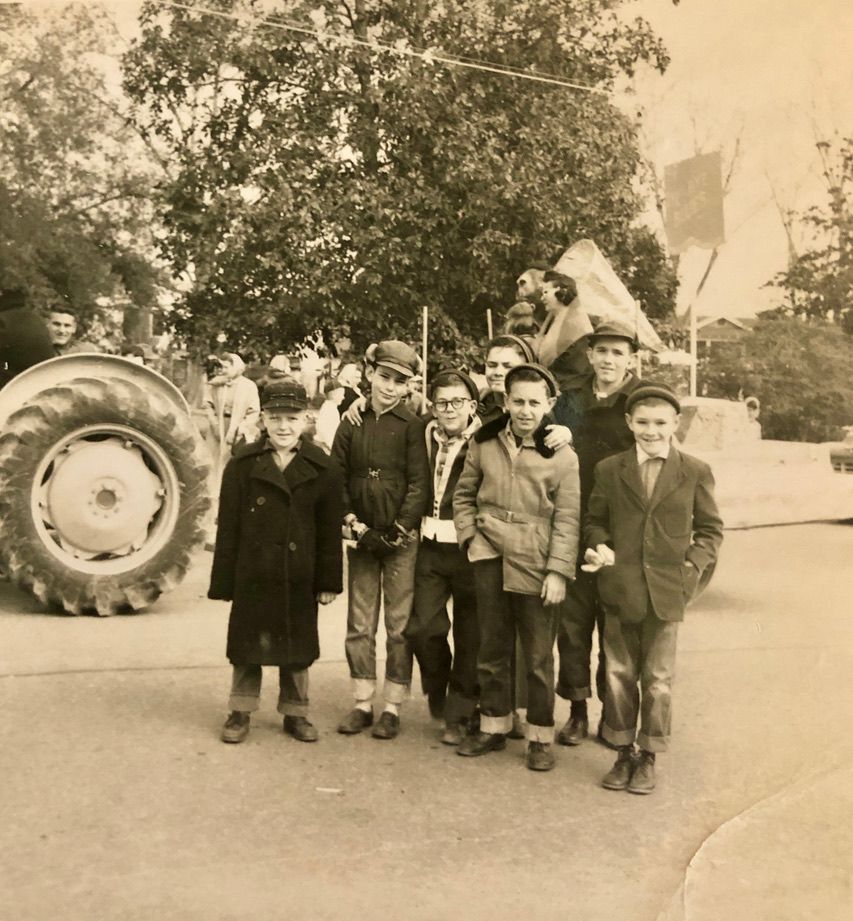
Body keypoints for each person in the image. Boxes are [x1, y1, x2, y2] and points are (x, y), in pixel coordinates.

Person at [584, 382, 723, 794]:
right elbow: (595, 521)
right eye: (642, 422)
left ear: (676, 423)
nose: (651, 431)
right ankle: (622, 750)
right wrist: (600, 546)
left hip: (666, 592)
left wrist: (690, 571)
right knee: (618, 674)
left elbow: (710, 530)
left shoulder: (694, 471)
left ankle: (649, 755)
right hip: (620, 589)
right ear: (628, 422)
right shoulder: (610, 469)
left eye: (661, 423)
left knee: (658, 679)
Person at [454, 363, 580, 772]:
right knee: (491, 648)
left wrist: (558, 572)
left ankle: (540, 735)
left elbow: (568, 518)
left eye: (534, 402)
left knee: (539, 656)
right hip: (489, 554)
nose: (525, 410)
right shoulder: (484, 443)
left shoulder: (562, 456)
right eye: (518, 401)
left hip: (537, 560)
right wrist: (471, 538)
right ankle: (493, 726)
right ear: (505, 402)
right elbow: (464, 495)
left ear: (549, 405)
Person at [208, 379, 344, 744]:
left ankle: (296, 712)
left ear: (307, 419)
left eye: (292, 418)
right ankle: (240, 710)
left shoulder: (323, 467)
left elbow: (329, 531)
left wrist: (329, 581)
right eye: (276, 417)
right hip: (253, 572)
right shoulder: (241, 465)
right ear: (263, 419)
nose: (284, 426)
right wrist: (224, 581)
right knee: (247, 646)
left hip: (298, 574)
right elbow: (229, 529)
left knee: (297, 647)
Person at [331, 340, 430, 740]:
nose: (389, 387)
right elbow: (336, 477)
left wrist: (398, 530)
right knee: (359, 621)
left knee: (398, 624)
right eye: (384, 377)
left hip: (398, 541)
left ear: (409, 386)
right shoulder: (350, 421)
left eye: (399, 381)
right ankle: (361, 701)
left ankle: (392, 705)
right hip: (361, 538)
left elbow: (419, 485)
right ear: (370, 373)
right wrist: (355, 525)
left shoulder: (413, 427)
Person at [550, 320, 641, 747]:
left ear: (631, 359)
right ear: (590, 354)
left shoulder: (639, 401)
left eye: (617, 353)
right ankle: (576, 710)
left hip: (620, 528)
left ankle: (614, 713)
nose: (608, 360)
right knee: (572, 625)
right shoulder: (570, 399)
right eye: (602, 351)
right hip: (573, 519)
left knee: (616, 628)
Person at [405, 369, 482, 745]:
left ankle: (460, 712)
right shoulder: (421, 431)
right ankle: (438, 690)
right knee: (423, 627)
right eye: (441, 403)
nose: (449, 410)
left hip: (471, 547)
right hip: (430, 546)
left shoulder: (489, 436)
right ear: (431, 406)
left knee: (471, 634)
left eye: (457, 402)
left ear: (472, 405)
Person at [533, 270, 593, 390]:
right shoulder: (554, 321)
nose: (542, 298)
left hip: (570, 389)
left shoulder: (577, 328)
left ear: (561, 291)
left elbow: (576, 370)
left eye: (546, 292)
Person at [203, 353, 261, 466]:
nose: (223, 370)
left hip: (238, 428)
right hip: (218, 425)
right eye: (221, 367)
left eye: (226, 367)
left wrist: (241, 428)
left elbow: (254, 411)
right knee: (212, 462)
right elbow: (207, 404)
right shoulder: (216, 384)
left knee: (234, 462)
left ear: (237, 367)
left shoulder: (248, 386)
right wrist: (214, 423)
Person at [313, 379, 345, 452]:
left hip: (325, 444)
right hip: (324, 446)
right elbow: (323, 430)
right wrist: (332, 447)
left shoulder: (330, 407)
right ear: (333, 395)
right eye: (341, 395)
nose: (343, 398)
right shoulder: (330, 410)